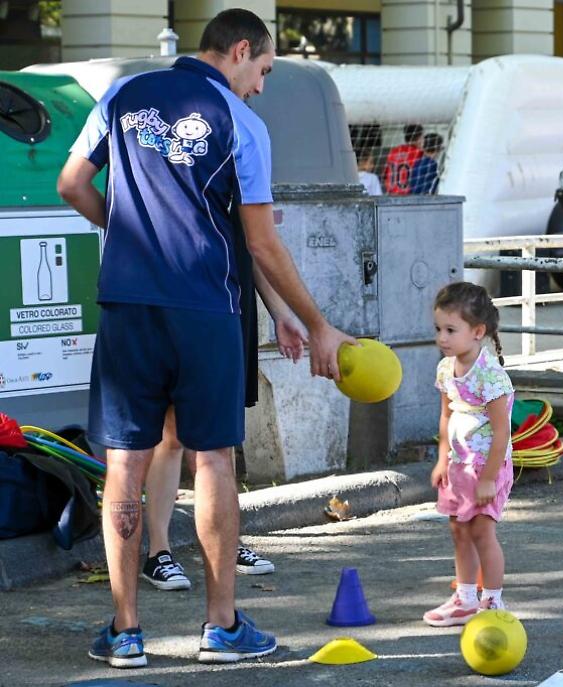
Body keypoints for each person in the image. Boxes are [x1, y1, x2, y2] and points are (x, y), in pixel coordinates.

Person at [57, 8, 356, 668]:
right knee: (213, 458)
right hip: (205, 308)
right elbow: (260, 241)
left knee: (124, 465)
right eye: (264, 71)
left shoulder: (122, 94)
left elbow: (71, 182)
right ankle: (221, 627)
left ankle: (127, 630)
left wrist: (124, 231)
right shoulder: (243, 124)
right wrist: (316, 322)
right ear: (240, 50)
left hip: (129, 303)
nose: (261, 86)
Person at [141, 247, 305, 591]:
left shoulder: (242, 190)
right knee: (171, 431)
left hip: (232, 302)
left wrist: (280, 312)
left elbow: (257, 243)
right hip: (178, 297)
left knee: (222, 434)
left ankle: (226, 545)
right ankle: (158, 552)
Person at [424, 282, 514, 627]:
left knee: (481, 532)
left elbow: (502, 431)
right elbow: (446, 415)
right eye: (438, 329)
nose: (442, 338)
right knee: (459, 530)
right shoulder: (446, 368)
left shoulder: (490, 376)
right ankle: (464, 599)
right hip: (458, 466)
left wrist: (490, 477)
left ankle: (492, 602)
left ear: (478, 332)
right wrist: (441, 457)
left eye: (451, 330)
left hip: (486, 467)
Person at [383, 124, 424, 195]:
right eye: (422, 137)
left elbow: (385, 177)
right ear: (419, 138)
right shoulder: (419, 153)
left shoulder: (394, 151)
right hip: (410, 195)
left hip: (392, 194)